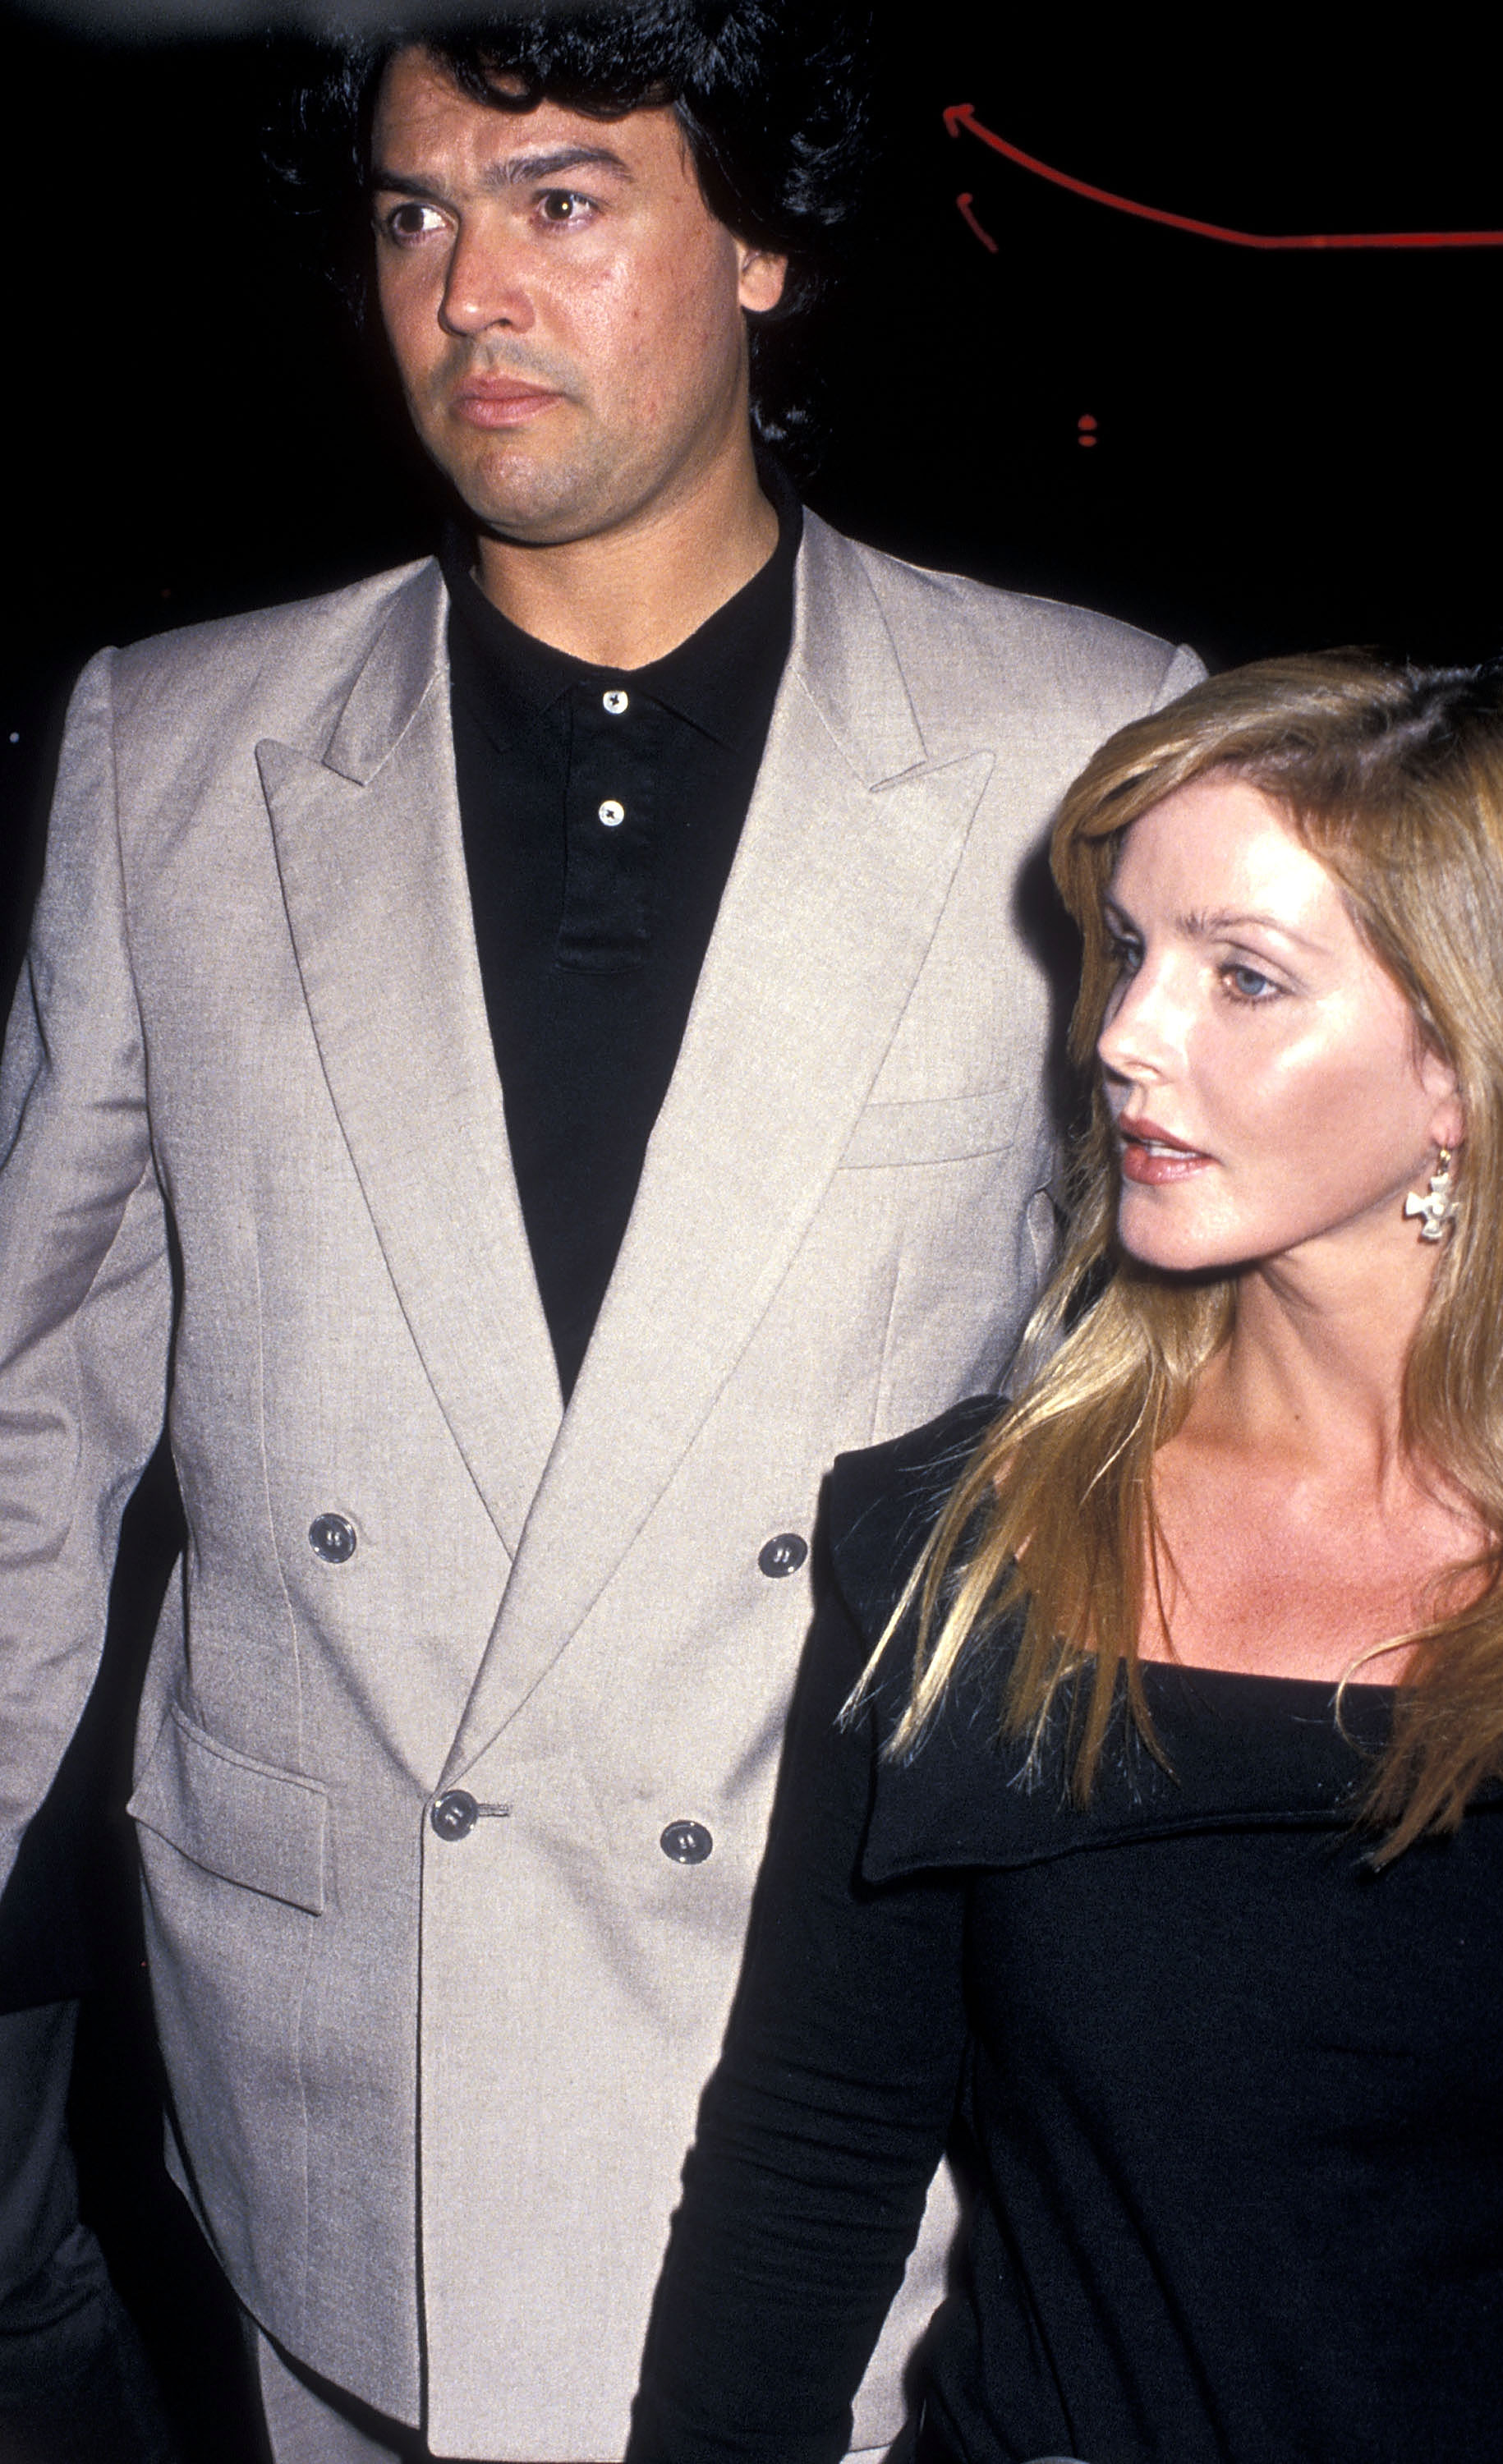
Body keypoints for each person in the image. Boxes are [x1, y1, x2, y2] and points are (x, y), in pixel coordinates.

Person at [0, 6, 1208, 2458]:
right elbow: (36, 1392)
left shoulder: (1080, 747)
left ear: (761, 244)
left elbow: (1231, 1359)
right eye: (411, 217)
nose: (463, 294)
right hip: (335, 2071)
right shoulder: (173, 745)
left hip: (844, 2056)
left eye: (559, 201)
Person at [627, 654, 1503, 2464]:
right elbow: (808, 2157)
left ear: (1465, 1059)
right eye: (1127, 952)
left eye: (1242, 975)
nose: (1122, 1033)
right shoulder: (956, 1545)